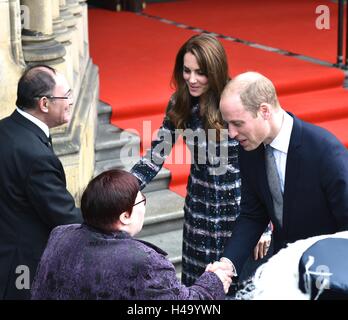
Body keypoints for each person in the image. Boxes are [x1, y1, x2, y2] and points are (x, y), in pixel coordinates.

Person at [130, 33, 270, 287]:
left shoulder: (237, 102)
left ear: (215, 71)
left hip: (242, 218)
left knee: (243, 289)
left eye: (201, 72)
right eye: (187, 70)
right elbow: (156, 154)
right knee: (200, 291)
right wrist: (126, 186)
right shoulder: (181, 103)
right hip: (199, 217)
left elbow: (264, 163)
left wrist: (266, 224)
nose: (192, 79)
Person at [218, 71, 348, 280]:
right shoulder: (249, 149)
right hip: (285, 272)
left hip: (328, 275)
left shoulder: (325, 153)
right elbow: (253, 214)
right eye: (228, 124)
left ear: (264, 111)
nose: (231, 133)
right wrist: (227, 264)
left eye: (238, 123)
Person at [31, 169, 232, 300]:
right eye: (140, 199)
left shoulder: (60, 235)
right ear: (125, 216)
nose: (144, 203)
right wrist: (213, 281)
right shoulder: (144, 262)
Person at [0, 65, 82, 299]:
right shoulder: (37, 156)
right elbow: (65, 217)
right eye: (66, 96)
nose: (70, 101)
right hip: (22, 271)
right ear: (44, 104)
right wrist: (108, 220)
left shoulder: (6, 129)